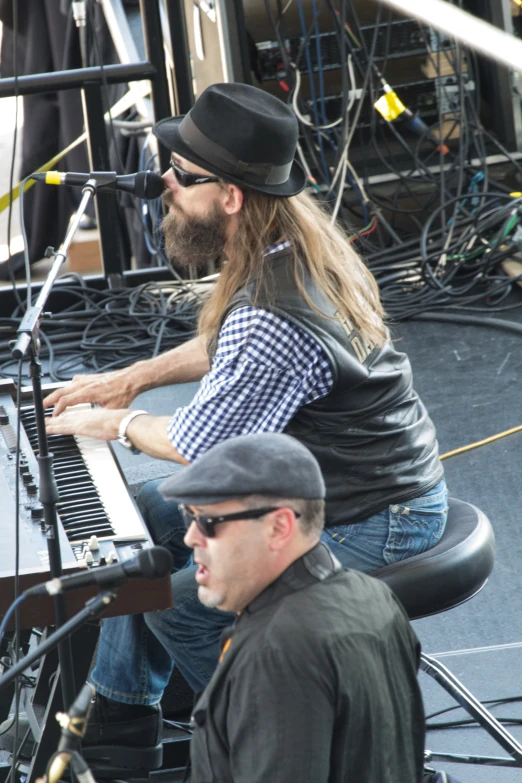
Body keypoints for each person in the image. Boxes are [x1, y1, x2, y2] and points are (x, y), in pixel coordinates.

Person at [42, 82, 447, 762]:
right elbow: (228, 344)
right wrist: (127, 378)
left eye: (185, 176)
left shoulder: (273, 309)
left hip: (379, 512)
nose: (166, 184)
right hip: (364, 489)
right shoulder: (289, 244)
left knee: (169, 601)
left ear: (230, 196)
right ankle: (120, 721)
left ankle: (243, 730)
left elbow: (199, 444)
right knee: (139, 520)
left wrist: (111, 421)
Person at [157, 432, 427, 783]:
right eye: (188, 516)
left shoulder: (277, 652)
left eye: (208, 521)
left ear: (279, 527)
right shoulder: (373, 595)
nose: (192, 536)